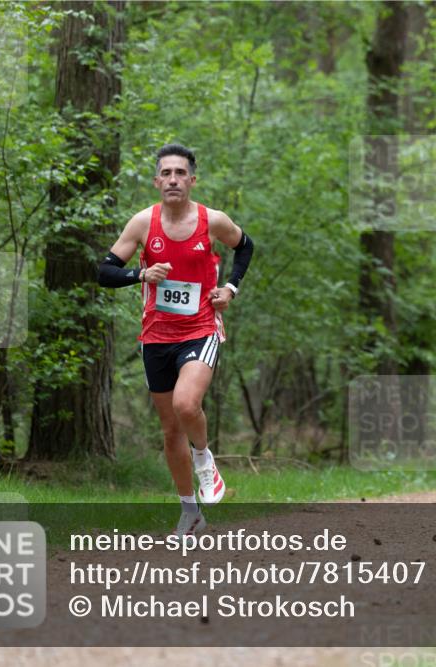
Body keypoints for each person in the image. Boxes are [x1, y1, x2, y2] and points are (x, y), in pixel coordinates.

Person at [97, 144, 254, 535]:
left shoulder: (212, 221)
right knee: (170, 430)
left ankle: (204, 458)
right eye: (165, 173)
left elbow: (245, 247)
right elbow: (104, 271)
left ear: (192, 180)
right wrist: (140, 275)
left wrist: (230, 288)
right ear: (156, 181)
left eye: (180, 173)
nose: (172, 179)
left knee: (187, 405)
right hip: (156, 336)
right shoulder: (142, 224)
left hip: (201, 328)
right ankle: (191, 511)